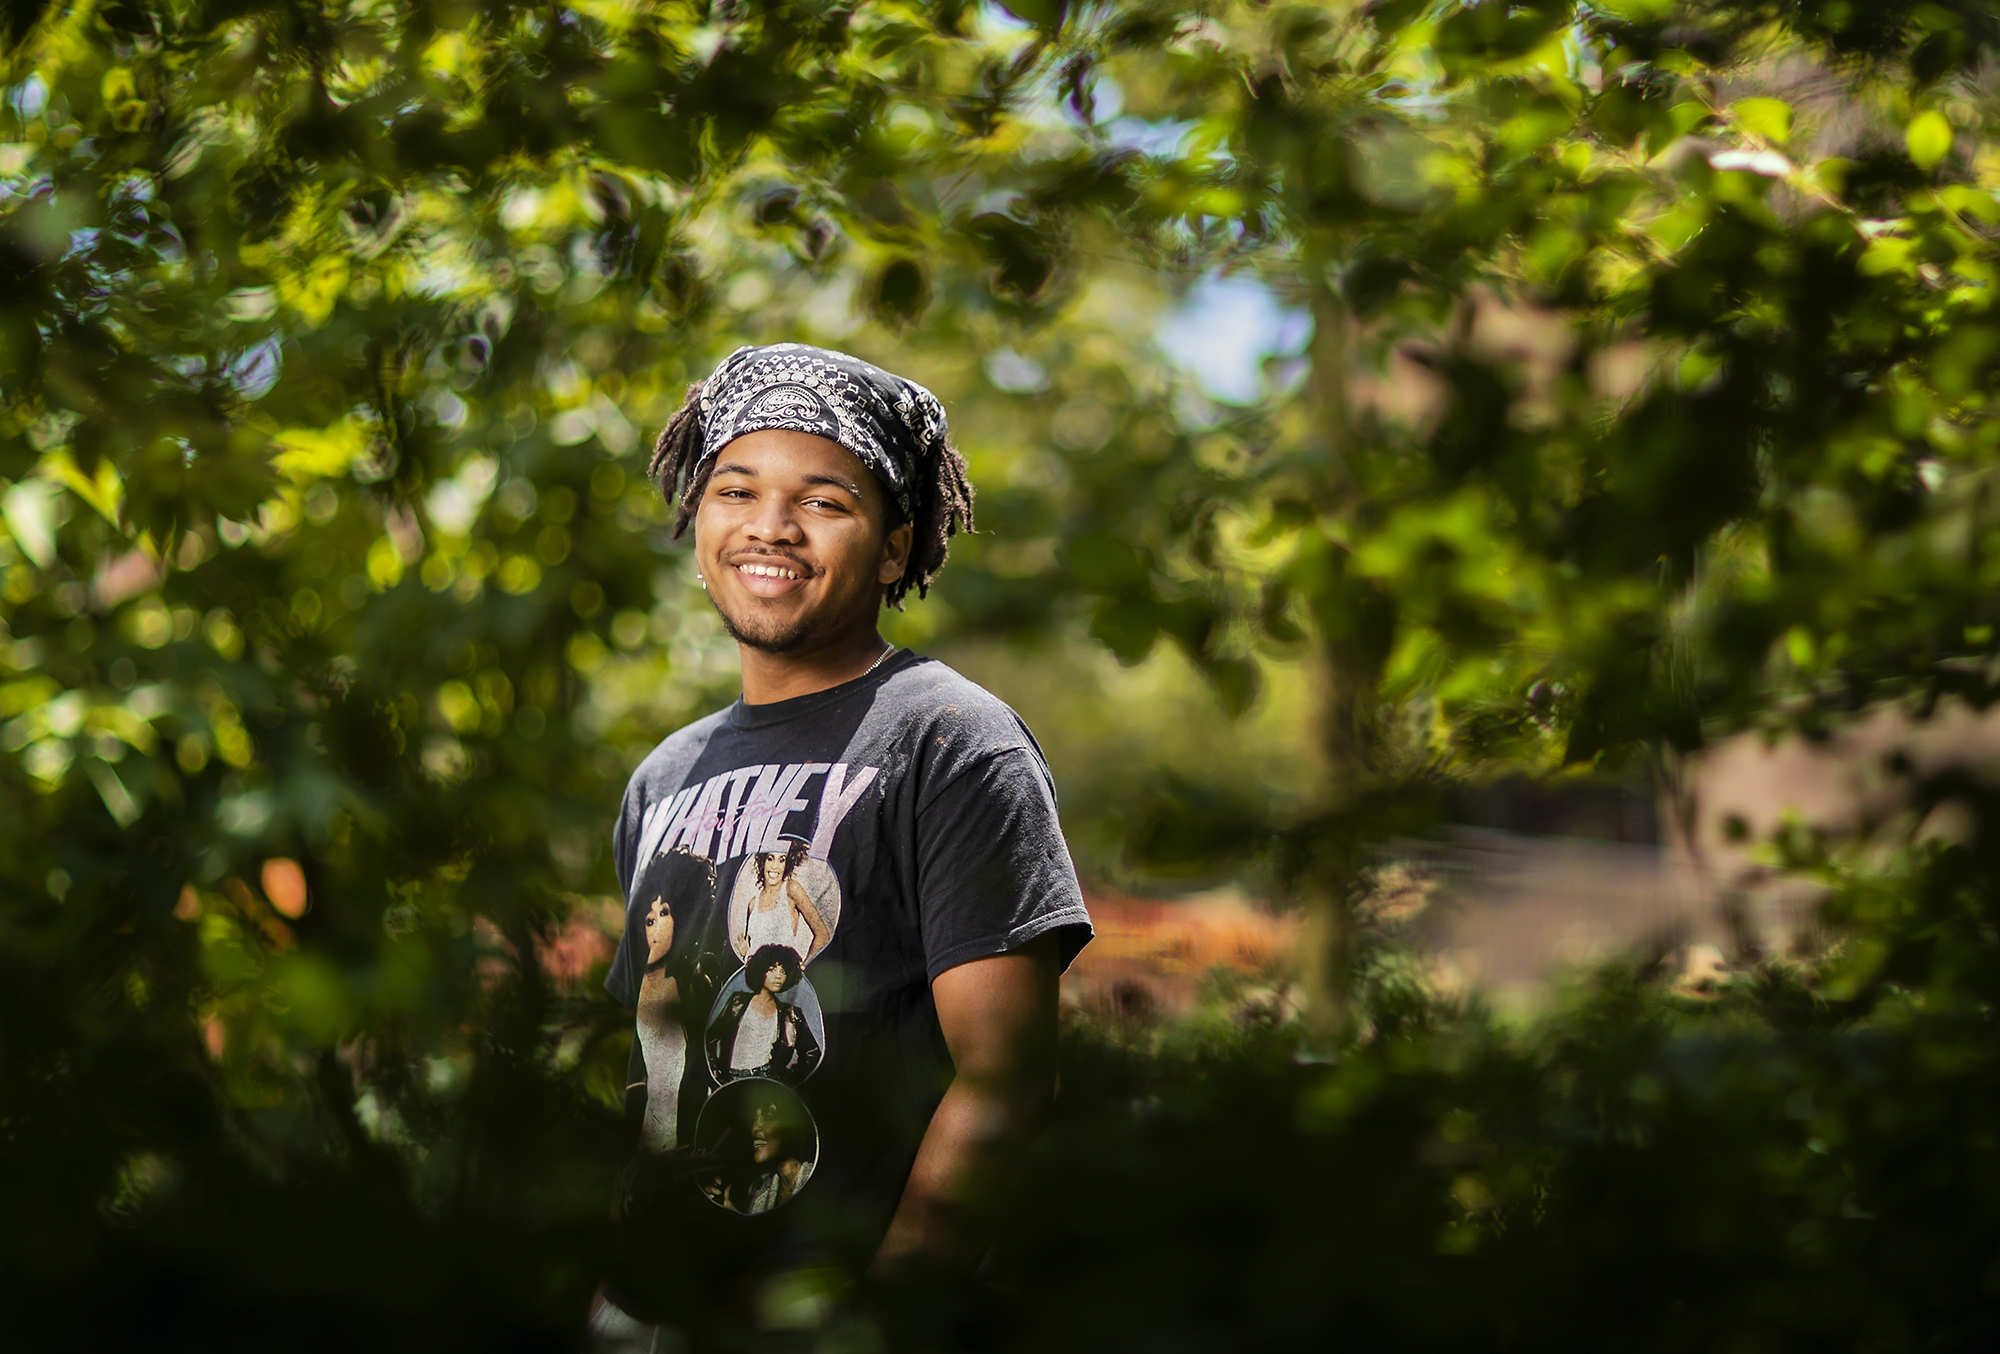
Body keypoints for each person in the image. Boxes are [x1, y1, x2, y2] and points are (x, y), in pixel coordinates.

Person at [598, 343, 1092, 1343]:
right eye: (735, 489)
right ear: (698, 521)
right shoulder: (661, 778)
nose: (769, 525)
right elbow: (650, 1063)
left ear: (896, 547)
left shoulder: (949, 739)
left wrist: (876, 1319)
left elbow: (1003, 1078)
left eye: (823, 500)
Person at [706, 943, 822, 1084]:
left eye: (784, 972)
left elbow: (813, 1053)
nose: (778, 976)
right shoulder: (737, 1002)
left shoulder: (791, 1014)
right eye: (772, 969)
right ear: (760, 970)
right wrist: (716, 1074)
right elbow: (709, 1040)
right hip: (731, 1080)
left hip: (765, 1082)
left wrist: (785, 1082)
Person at [732, 843, 829, 963]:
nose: (774, 867)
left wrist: (802, 968)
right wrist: (745, 954)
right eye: (770, 858)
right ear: (763, 862)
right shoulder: (753, 903)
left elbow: (823, 935)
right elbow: (754, 949)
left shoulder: (791, 889)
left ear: (787, 864)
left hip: (782, 977)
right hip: (756, 978)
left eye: (781, 860)